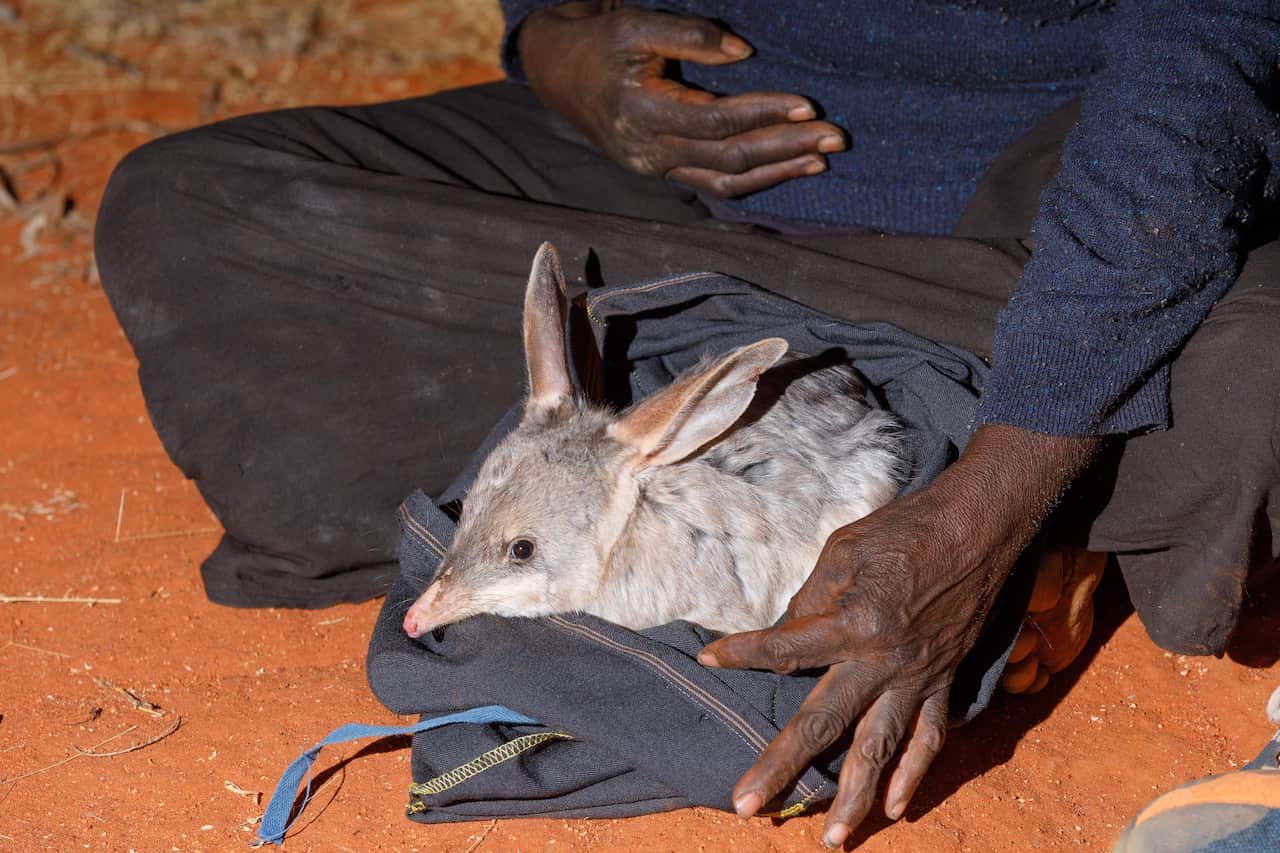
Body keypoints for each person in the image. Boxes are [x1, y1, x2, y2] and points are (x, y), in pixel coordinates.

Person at [94, 1, 1279, 847]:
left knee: (1252, 366)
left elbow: (1201, 71)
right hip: (674, 195)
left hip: (1032, 217)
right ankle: (1059, 494)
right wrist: (552, 42)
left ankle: (1024, 484)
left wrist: (996, 498)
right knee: (189, 213)